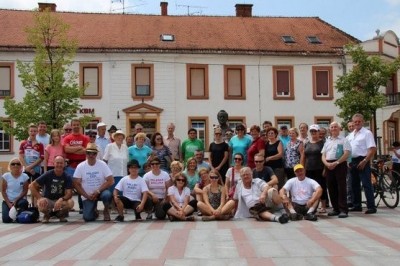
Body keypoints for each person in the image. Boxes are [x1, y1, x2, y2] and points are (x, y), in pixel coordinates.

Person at [73, 143, 114, 222]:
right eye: (89, 153)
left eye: (94, 153)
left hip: (101, 192)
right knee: (88, 218)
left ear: (96, 154)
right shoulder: (80, 166)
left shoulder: (102, 164)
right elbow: (76, 183)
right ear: (86, 153)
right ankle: (95, 211)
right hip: (87, 194)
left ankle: (106, 210)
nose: (91, 155)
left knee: (107, 195)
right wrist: (86, 195)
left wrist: (98, 191)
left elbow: (111, 180)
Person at [347, 113, 377, 214]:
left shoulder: (367, 133)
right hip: (352, 161)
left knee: (366, 184)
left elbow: (372, 149)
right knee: (354, 184)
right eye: (355, 122)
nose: (357, 123)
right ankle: (357, 205)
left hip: (363, 159)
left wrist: (365, 161)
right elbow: (349, 150)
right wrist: (348, 161)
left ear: (362, 122)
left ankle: (371, 206)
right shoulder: (350, 135)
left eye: (359, 121)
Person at [30, 156, 75, 223]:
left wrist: (61, 199)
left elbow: (69, 193)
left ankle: (60, 214)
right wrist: (40, 198)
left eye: (61, 163)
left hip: (60, 200)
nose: (59, 165)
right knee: (41, 204)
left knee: (71, 202)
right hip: (48, 199)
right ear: (53, 163)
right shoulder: (48, 174)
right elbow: (31, 186)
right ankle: (47, 215)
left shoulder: (67, 176)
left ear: (64, 164)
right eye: (57, 163)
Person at [321, 122, 351, 218]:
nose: (333, 128)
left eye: (335, 127)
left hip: (340, 164)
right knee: (331, 187)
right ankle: (335, 209)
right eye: (332, 127)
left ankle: (343, 209)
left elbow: (346, 153)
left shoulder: (344, 140)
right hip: (328, 164)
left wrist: (336, 163)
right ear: (329, 129)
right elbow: (323, 154)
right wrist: (326, 163)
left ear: (339, 129)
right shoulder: (327, 141)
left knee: (341, 187)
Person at [63, 118, 90, 213]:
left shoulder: (85, 138)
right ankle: (66, 207)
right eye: (74, 125)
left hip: (82, 164)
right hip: (71, 165)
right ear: (71, 126)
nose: (76, 126)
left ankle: (82, 207)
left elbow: (86, 150)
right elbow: (66, 150)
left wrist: (73, 149)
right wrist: (79, 147)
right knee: (69, 186)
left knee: (81, 186)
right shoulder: (67, 138)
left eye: (77, 124)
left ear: (80, 125)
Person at [304, 124, 327, 213]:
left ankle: (323, 206)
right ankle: (312, 205)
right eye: (312, 131)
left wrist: (325, 168)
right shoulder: (307, 143)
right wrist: (303, 168)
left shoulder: (323, 143)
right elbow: (304, 156)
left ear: (318, 132)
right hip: (309, 169)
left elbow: (326, 156)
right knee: (310, 188)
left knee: (321, 187)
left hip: (320, 168)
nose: (313, 133)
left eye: (315, 131)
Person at [103, 130, 129, 211]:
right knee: (113, 191)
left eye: (121, 136)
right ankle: (113, 208)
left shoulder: (125, 147)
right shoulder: (109, 146)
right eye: (118, 136)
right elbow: (105, 160)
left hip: (123, 173)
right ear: (114, 137)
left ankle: (121, 207)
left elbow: (127, 161)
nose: (120, 138)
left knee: (121, 192)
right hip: (113, 173)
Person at [1, 158, 29, 223]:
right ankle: (14, 215)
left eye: (18, 164)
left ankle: (18, 215)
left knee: (23, 203)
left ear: (21, 166)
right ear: (10, 166)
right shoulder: (6, 176)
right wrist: (8, 203)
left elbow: (25, 191)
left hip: (20, 200)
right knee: (6, 220)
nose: (15, 165)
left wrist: (16, 200)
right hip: (8, 201)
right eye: (13, 164)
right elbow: (3, 191)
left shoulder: (24, 176)